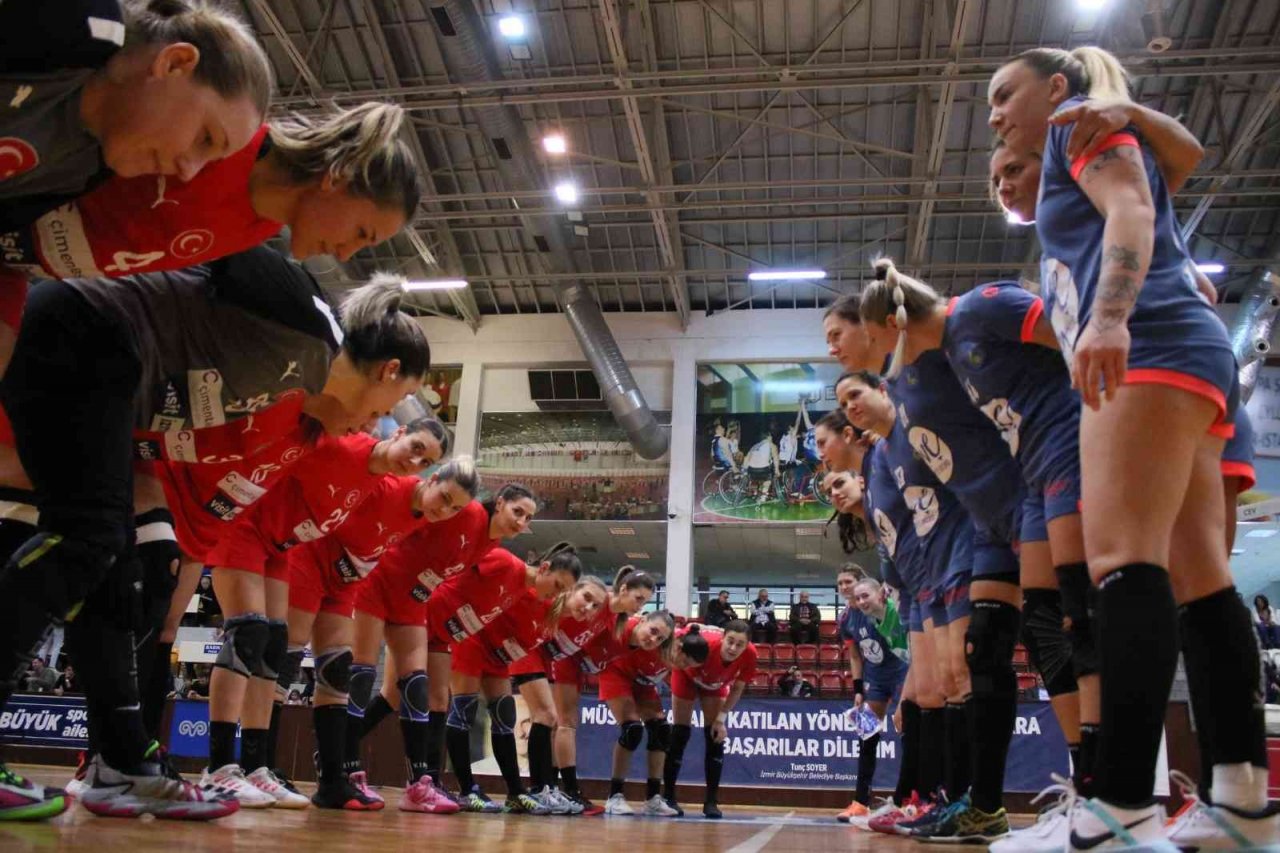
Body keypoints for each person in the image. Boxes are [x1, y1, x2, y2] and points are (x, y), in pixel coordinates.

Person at [990, 46, 1273, 848]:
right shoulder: (1086, 152)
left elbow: (1134, 209)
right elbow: (1166, 178)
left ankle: (1119, 805)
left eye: (1004, 95)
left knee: (1123, 564)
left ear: (1056, 89)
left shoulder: (1073, 130)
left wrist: (1110, 317)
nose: (995, 115)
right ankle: (1241, 801)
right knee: (1199, 576)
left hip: (1149, 344)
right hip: (1188, 350)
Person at [194, 422, 447, 809]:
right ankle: (219, 768)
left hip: (286, 548)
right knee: (251, 637)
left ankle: (260, 767)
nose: (415, 462)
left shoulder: (392, 488)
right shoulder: (343, 449)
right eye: (416, 448)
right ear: (398, 433)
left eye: (425, 461)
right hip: (262, 537)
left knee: (284, 652)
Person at [345, 483, 536, 814]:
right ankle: (339, 759)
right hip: (404, 598)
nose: (521, 522)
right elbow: (423, 523)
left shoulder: (491, 542)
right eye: (517, 511)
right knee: (373, 679)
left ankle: (425, 781)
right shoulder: (482, 532)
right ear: (500, 502)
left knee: (417, 695)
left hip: (419, 608)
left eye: (528, 518)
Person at [445, 549, 607, 816]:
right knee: (463, 713)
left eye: (595, 606)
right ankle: (467, 790)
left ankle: (516, 793)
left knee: (504, 716)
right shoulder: (532, 593)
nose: (588, 607)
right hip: (474, 643)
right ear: (571, 591)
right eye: (586, 598)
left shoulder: (558, 619)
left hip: (499, 657)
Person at [516, 565, 658, 816]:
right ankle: (561, 788)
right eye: (638, 598)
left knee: (558, 723)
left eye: (645, 602)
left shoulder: (614, 618)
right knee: (561, 722)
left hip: (564, 660)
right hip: (555, 658)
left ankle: (553, 787)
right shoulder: (597, 602)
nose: (640, 606)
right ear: (624, 589)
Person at [598, 613, 692, 817]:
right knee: (632, 731)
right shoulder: (623, 626)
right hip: (616, 673)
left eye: (660, 638)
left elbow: (693, 635)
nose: (653, 639)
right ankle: (614, 797)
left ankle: (652, 799)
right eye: (653, 631)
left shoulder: (673, 645)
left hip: (642, 678)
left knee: (661, 731)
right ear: (643, 620)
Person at [662, 620, 758, 819]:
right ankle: (668, 797)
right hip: (686, 677)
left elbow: (738, 688)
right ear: (722, 638)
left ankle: (711, 801)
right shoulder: (706, 642)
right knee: (680, 734)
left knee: (715, 737)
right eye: (730, 641)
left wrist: (721, 719)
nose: (733, 648)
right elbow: (676, 634)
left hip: (715, 684)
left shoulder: (750, 654)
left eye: (740, 644)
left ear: (747, 645)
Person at [839, 575, 909, 821]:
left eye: (849, 582)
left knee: (908, 731)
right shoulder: (846, 618)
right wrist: (858, 689)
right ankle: (860, 801)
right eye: (840, 583)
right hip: (875, 680)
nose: (845, 587)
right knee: (866, 736)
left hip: (903, 675)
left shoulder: (888, 609)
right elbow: (855, 656)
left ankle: (907, 800)